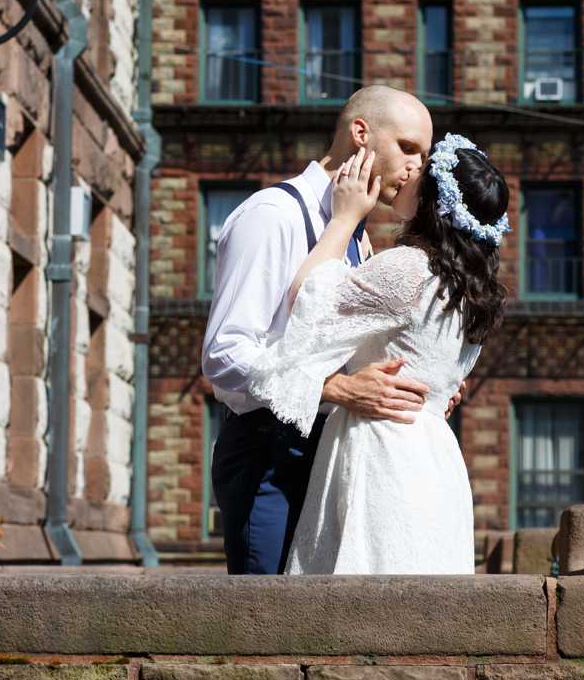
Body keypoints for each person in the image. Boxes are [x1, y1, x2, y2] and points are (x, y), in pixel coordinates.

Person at [243, 129, 510, 575]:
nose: (408, 171)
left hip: (381, 448)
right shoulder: (472, 292)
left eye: (421, 168)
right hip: (435, 458)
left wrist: (344, 218)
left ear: (433, 200)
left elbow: (307, 302)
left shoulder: (410, 268)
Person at [202, 86, 437, 574]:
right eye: (409, 148)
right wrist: (340, 388)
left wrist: (410, 386)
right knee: (265, 627)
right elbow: (224, 355)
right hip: (268, 454)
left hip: (329, 453)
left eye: (425, 156)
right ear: (360, 134)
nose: (417, 167)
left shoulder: (355, 235)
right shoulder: (273, 215)